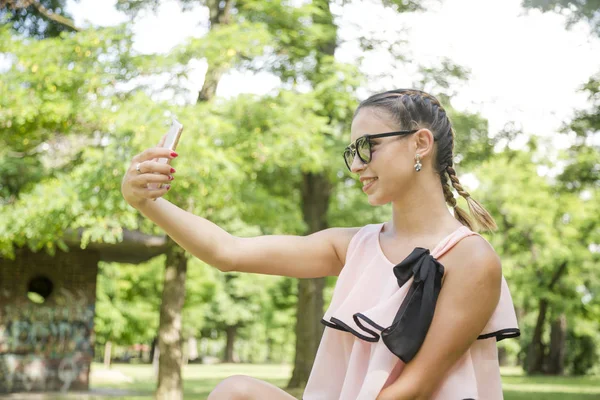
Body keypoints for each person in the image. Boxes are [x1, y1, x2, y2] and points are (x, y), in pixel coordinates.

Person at [121, 89, 520, 400]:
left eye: (368, 146)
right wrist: (146, 202)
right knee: (234, 392)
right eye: (352, 153)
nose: (357, 165)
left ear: (420, 143)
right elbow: (228, 252)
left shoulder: (471, 258)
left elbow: (410, 391)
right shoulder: (355, 247)